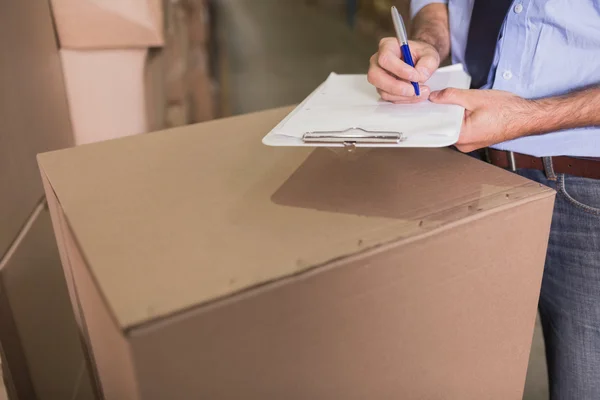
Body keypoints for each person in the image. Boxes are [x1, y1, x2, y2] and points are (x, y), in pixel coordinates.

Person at [367, 1, 600, 398]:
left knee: (585, 384)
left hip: (584, 189)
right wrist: (427, 43)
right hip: (466, 166)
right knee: (450, 374)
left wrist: (526, 117)